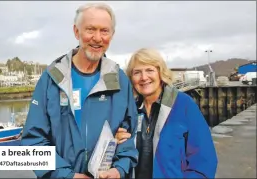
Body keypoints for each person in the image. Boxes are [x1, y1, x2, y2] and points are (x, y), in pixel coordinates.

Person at [21, 3, 138, 179]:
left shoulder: (119, 79)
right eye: (90, 29)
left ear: (112, 35)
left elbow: (128, 135)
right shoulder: (51, 79)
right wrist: (66, 175)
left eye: (104, 31)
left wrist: (119, 169)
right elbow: (33, 141)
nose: (97, 38)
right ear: (77, 32)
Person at [115, 48, 218, 178]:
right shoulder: (129, 110)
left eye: (149, 70)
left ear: (160, 73)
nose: (143, 77)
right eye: (137, 72)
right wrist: (114, 142)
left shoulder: (184, 104)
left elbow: (204, 160)